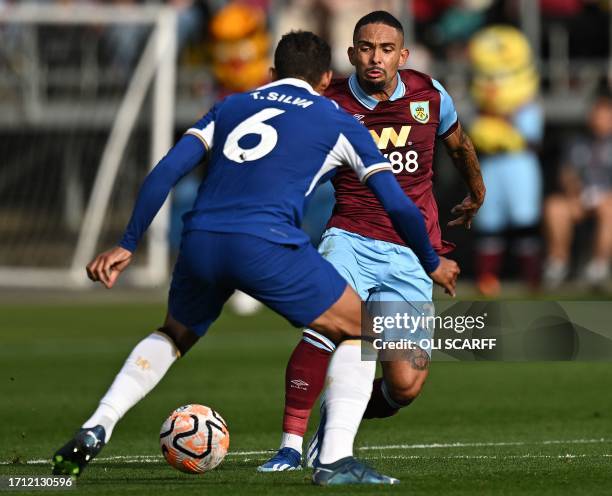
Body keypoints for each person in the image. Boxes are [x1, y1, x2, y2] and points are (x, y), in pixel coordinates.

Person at [51, 31, 459, 486]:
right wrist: (430, 258)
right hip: (265, 241)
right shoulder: (335, 117)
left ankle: (99, 423)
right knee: (360, 327)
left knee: (173, 333)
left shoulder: (232, 105)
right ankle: (335, 460)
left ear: (272, 74)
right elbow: (398, 202)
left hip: (202, 236)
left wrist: (127, 242)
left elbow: (166, 170)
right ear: (326, 78)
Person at [257, 11, 483, 473]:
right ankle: (292, 447)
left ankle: (333, 429)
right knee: (333, 330)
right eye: (365, 47)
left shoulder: (429, 95)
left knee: (405, 386)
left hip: (412, 251)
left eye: (384, 49)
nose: (374, 57)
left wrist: (477, 192)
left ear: (403, 55)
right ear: (351, 52)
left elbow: (458, 145)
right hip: (349, 238)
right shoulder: (330, 101)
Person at [543, 93, 612, 289]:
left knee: (610, 209)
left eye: (605, 115)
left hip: (607, 199)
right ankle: (557, 264)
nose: (599, 119)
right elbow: (566, 174)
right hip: (582, 198)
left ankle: (599, 267)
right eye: (596, 114)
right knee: (555, 207)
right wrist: (574, 190)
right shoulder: (576, 142)